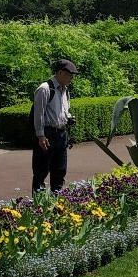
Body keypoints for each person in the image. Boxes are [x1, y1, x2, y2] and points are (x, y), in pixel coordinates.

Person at [31, 58, 77, 195]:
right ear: (60, 73)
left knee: (60, 170)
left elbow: (63, 111)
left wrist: (68, 118)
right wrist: (40, 136)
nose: (71, 78)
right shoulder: (45, 89)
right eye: (70, 75)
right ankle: (38, 204)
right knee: (41, 170)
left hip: (61, 135)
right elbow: (38, 114)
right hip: (47, 135)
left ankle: (55, 202)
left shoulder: (65, 90)